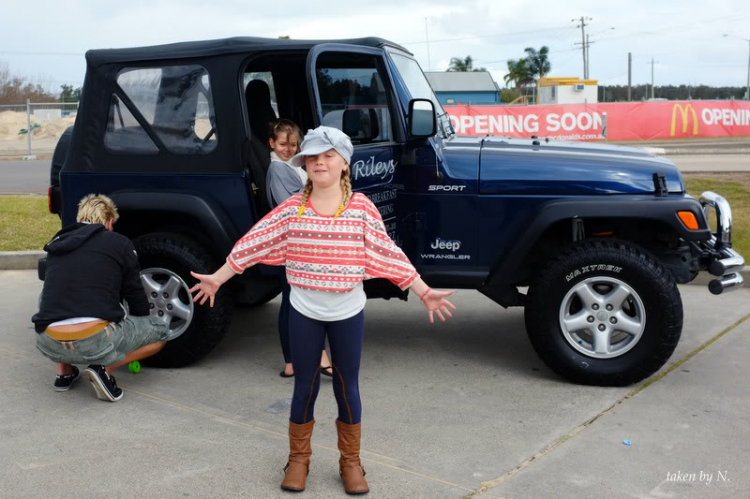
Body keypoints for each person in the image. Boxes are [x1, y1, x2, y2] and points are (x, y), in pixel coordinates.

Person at [190, 126, 456, 495]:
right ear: (304, 164)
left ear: (344, 164)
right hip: (304, 311)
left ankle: (351, 462)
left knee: (348, 388)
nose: (319, 162)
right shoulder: (292, 209)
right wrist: (218, 278)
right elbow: (254, 242)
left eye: (328, 156)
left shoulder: (361, 209)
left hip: (347, 312)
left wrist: (423, 290)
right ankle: (298, 460)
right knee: (305, 386)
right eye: (312, 157)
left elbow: (387, 252)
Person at [32, 194, 169, 402]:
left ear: (80, 219)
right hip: (95, 340)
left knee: (47, 294)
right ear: (110, 222)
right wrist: (142, 323)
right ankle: (103, 368)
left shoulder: (57, 243)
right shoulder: (119, 243)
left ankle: (63, 372)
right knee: (161, 332)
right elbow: (135, 294)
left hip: (48, 341)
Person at [266, 119, 332, 378]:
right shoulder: (277, 170)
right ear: (271, 143)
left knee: (292, 301)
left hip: (296, 244)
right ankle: (316, 356)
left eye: (293, 144)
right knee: (299, 302)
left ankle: (293, 362)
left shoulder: (292, 167)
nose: (288, 149)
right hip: (292, 245)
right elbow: (293, 206)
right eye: (283, 144)